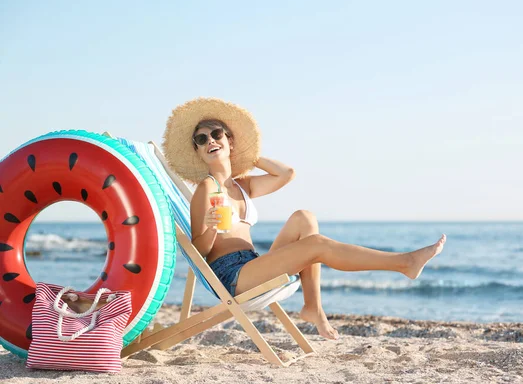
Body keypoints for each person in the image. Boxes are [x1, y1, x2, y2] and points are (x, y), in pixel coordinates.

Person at [163, 97, 446, 340]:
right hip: (232, 276)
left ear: (228, 141)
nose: (210, 140)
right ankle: (403, 263)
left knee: (304, 218)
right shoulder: (206, 188)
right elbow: (198, 251)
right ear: (199, 152)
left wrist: (248, 154)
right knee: (316, 245)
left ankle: (313, 307)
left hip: (253, 263)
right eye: (202, 139)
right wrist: (212, 227)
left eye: (216, 134)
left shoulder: (241, 185)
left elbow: (286, 174)